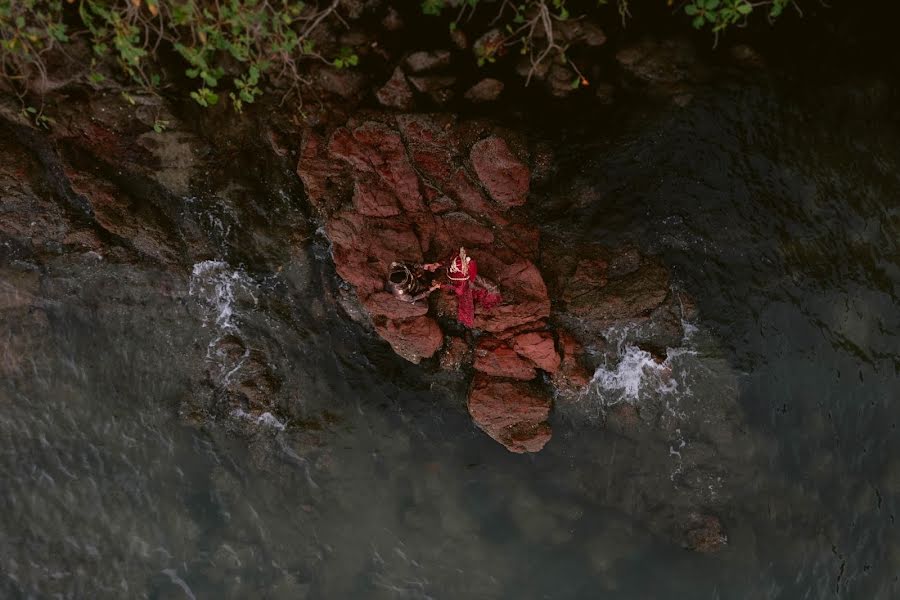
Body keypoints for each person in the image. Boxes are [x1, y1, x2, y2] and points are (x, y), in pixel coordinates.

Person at [441, 247, 502, 328]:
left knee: (465, 300)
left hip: (490, 292)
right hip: (482, 285)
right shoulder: (469, 270)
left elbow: (459, 291)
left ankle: (466, 320)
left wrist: (442, 285)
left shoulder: (466, 280)